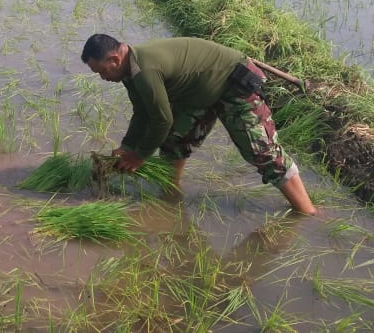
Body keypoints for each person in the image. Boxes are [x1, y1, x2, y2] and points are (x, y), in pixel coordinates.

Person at [81, 34, 317, 215]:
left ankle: (308, 213)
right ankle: (169, 197)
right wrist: (128, 145)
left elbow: (162, 119)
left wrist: (139, 156)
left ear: (114, 59)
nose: (102, 77)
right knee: (174, 143)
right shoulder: (129, 71)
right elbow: (143, 111)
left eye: (101, 71)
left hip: (233, 83)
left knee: (263, 153)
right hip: (198, 93)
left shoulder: (145, 70)